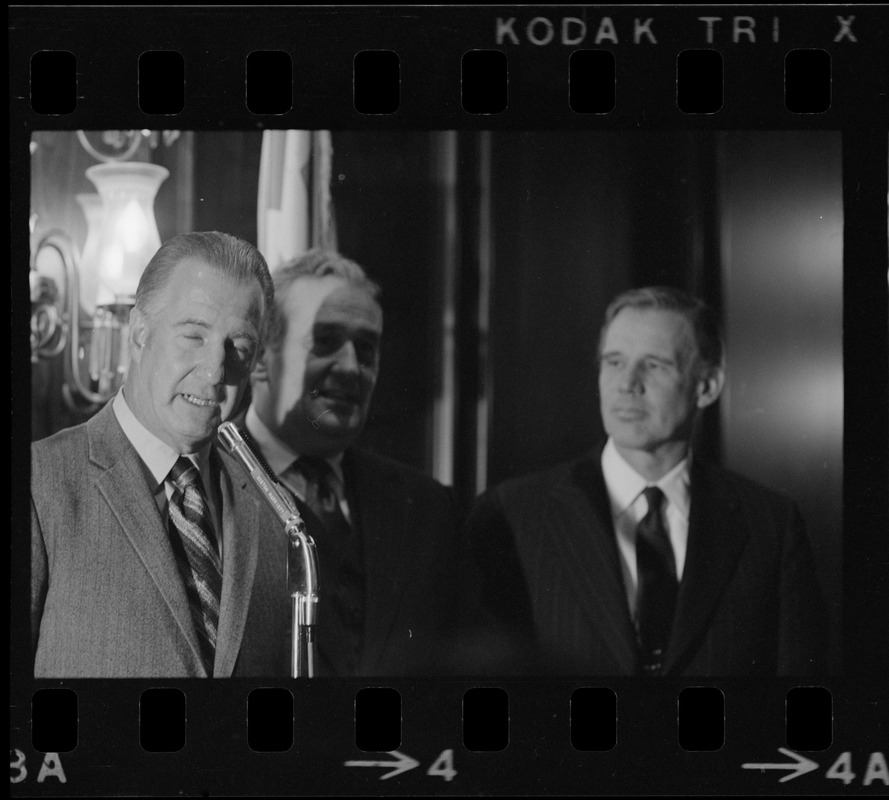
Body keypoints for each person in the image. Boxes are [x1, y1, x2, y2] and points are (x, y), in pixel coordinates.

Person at [463, 285, 826, 677]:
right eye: (614, 362)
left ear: (706, 387)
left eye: (654, 365)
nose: (627, 384)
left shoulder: (770, 524)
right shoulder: (514, 513)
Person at [31, 231, 291, 678]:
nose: (214, 372)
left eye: (239, 348)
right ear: (138, 334)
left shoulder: (274, 507)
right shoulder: (39, 482)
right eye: (194, 336)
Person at [234, 248, 470, 676]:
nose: (350, 367)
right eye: (325, 342)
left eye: (366, 349)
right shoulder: (203, 487)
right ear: (262, 358)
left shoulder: (427, 509)